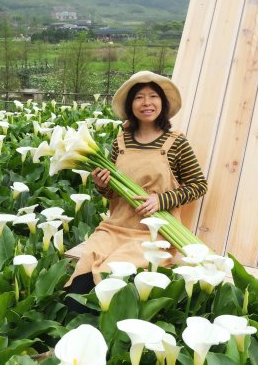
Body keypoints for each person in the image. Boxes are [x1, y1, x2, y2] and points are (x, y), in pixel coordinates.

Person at [66, 71, 208, 303]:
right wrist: (103, 186)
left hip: (153, 233)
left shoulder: (176, 143)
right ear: (131, 105)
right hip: (115, 227)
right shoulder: (120, 142)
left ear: (162, 102)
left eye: (153, 96)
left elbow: (199, 185)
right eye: (139, 97)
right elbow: (113, 192)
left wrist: (161, 201)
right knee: (81, 277)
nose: (147, 103)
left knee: (108, 276)